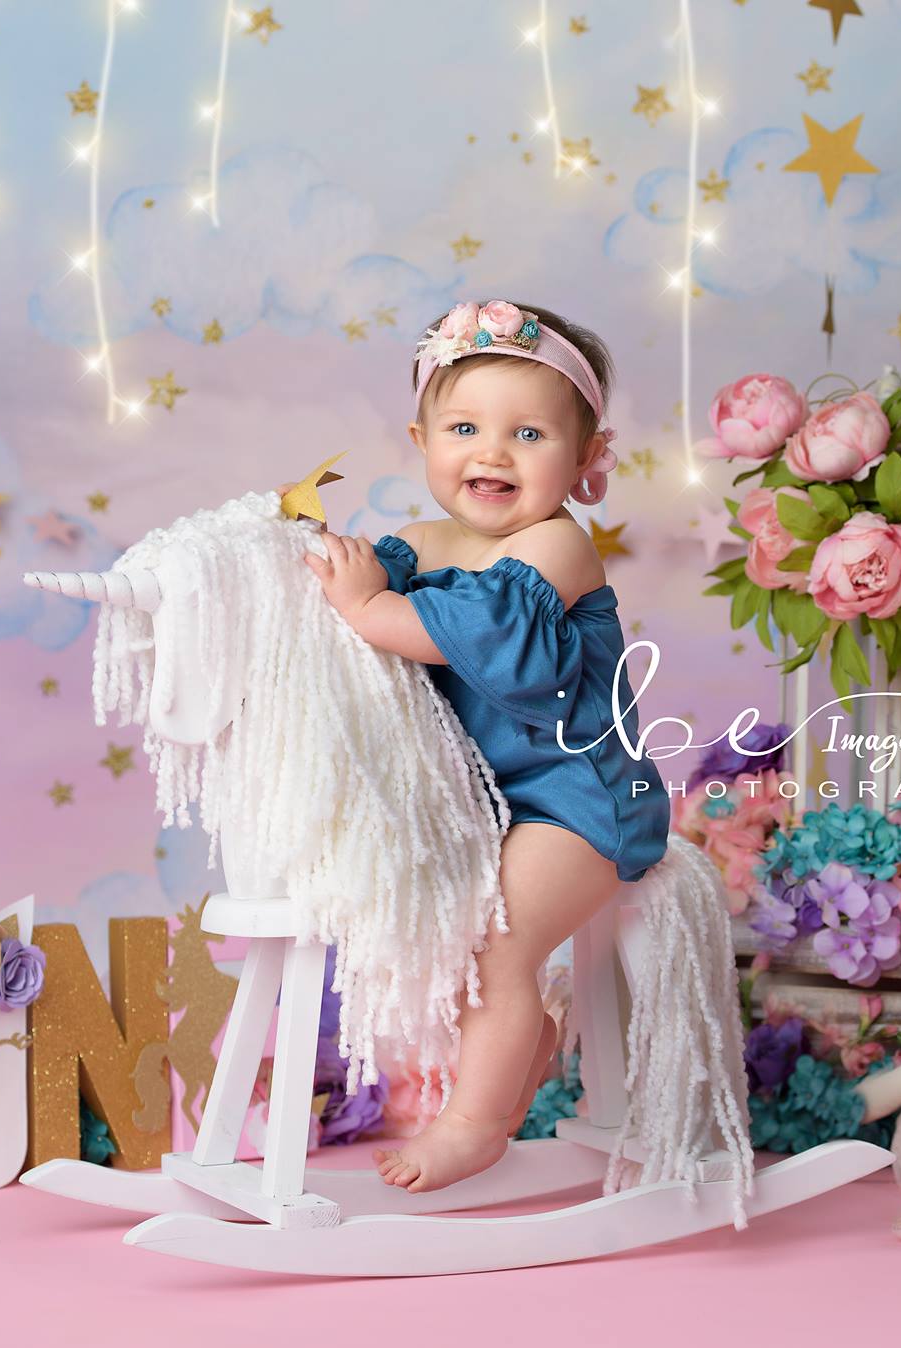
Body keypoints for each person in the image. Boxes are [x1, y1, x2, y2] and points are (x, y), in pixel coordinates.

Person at [303, 299, 668, 1193]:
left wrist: (369, 606)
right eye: (464, 428)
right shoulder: (420, 544)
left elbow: (478, 633)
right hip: (494, 804)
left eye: (529, 434)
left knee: (495, 943)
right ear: (422, 438)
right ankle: (525, 1041)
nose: (492, 453)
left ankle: (471, 1128)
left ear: (585, 458)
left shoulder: (557, 547)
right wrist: (316, 571)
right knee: (452, 929)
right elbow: (345, 593)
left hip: (582, 798)